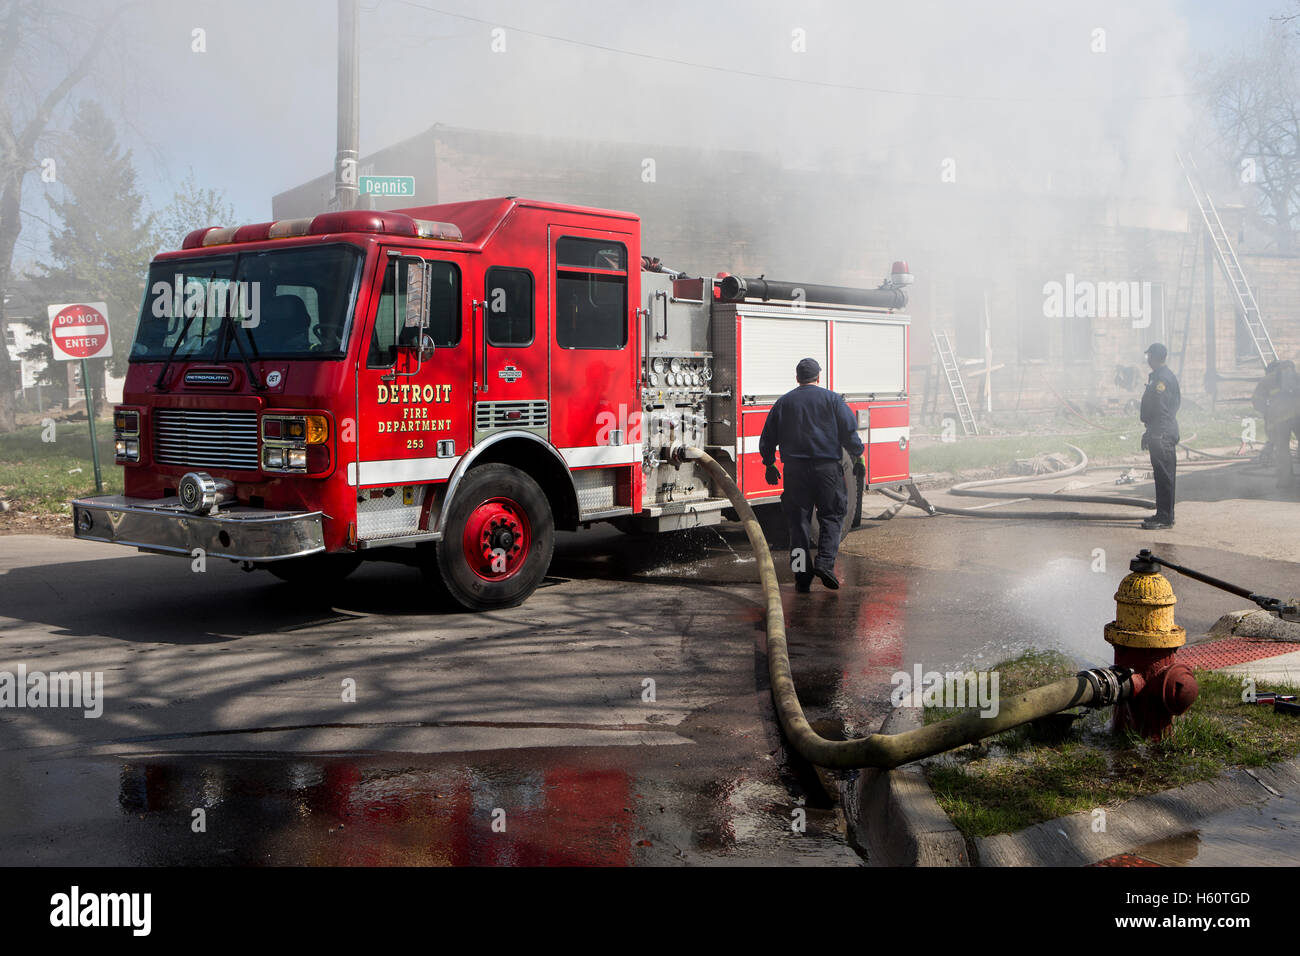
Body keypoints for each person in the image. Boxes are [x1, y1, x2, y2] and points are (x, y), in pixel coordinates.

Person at [760, 357, 865, 592]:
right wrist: (859, 456)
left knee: (798, 523)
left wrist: (769, 464)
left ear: (797, 378)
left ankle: (801, 574)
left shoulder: (783, 402)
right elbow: (849, 431)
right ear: (818, 377)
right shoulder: (832, 399)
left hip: (795, 471)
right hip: (827, 469)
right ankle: (825, 565)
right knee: (832, 515)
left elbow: (767, 437)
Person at [1139, 342, 1180, 529]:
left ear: (1154, 357)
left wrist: (1156, 433)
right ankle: (1162, 514)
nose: (1147, 360)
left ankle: (1165, 518)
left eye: (1149, 356)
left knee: (1164, 476)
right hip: (1160, 431)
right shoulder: (1162, 376)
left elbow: (1162, 410)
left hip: (1162, 433)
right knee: (1162, 475)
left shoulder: (1161, 380)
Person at [1252, 358, 1300, 489]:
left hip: (1280, 419)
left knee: (1282, 449)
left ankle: (1285, 481)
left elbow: (1256, 400)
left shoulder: (1267, 380)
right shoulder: (1297, 375)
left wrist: (1266, 411)